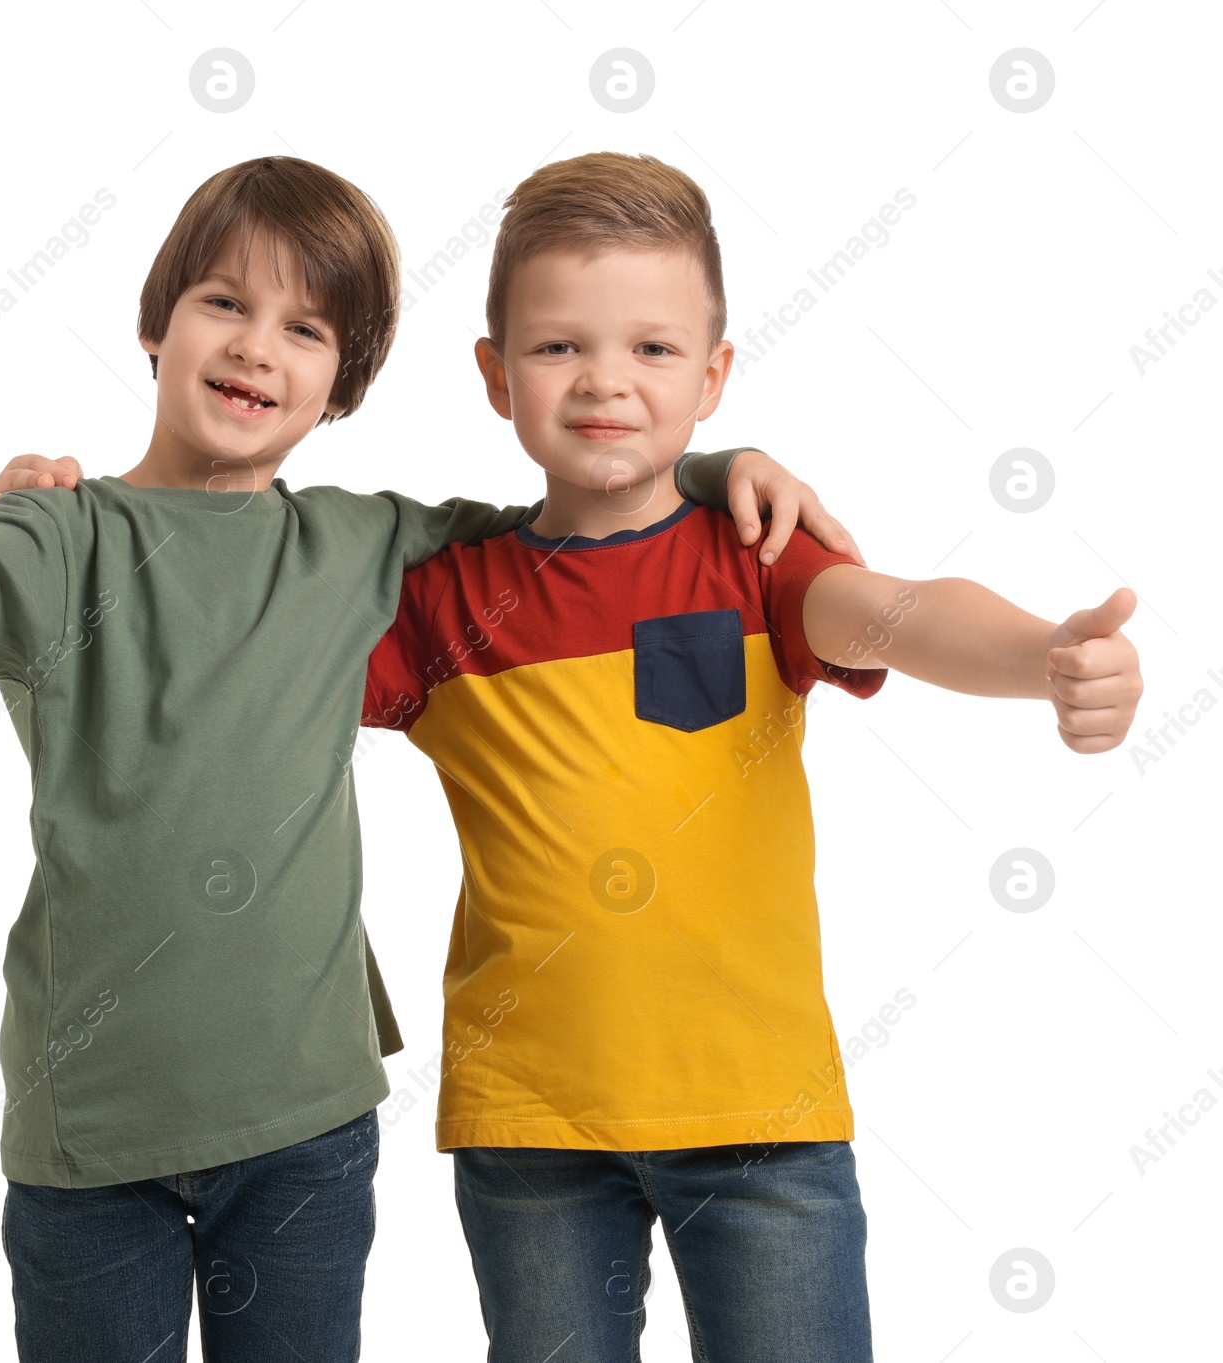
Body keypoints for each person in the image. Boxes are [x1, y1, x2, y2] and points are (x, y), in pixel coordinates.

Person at [0, 154, 843, 1363]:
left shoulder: (363, 547)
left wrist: (714, 468)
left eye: (306, 328)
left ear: (342, 382)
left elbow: (587, 516)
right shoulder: (50, 538)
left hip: (308, 1127)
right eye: (224, 304)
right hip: (92, 1133)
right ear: (157, 320)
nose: (255, 349)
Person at [358, 152, 1142, 1363]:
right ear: (494, 376)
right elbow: (236, 647)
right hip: (530, 1126)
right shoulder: (441, 600)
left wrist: (1043, 651)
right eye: (559, 346)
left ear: (714, 375)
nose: (605, 381)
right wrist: (70, 526)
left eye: (653, 350)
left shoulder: (755, 561)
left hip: (761, 1118)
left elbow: (905, 611)